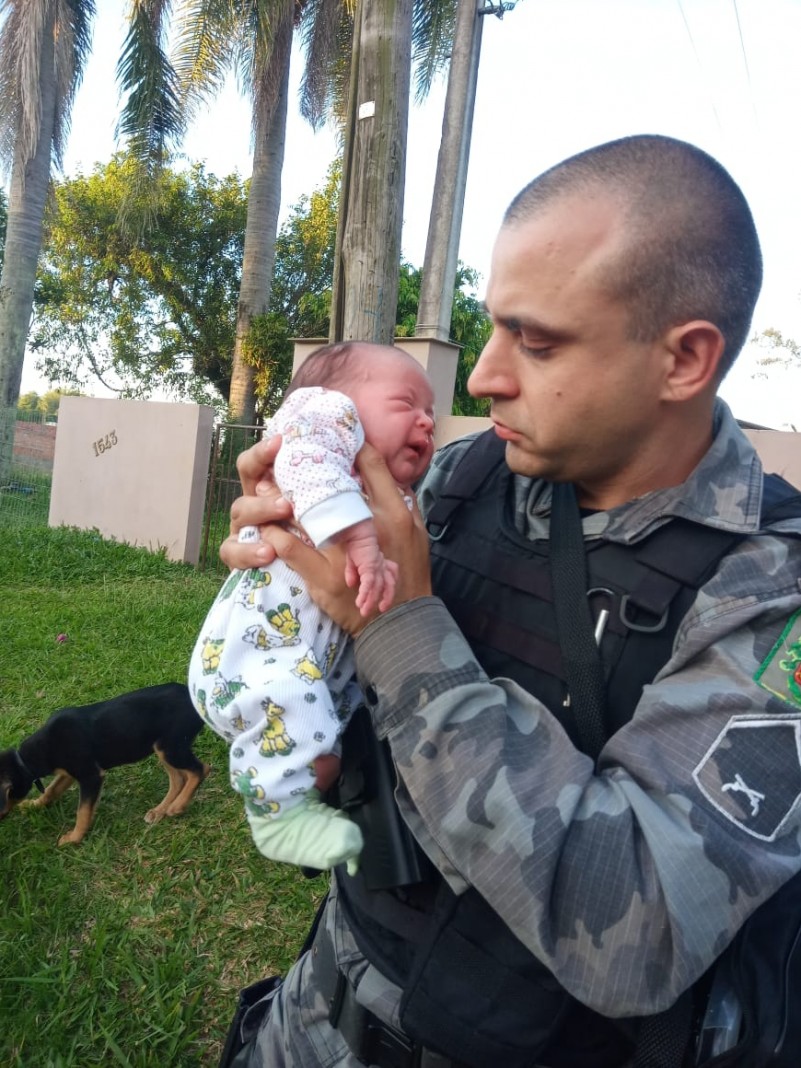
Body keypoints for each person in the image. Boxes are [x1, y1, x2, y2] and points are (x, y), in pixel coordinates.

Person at [218, 134, 801, 1068]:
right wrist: (286, 571)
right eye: (493, 328)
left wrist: (396, 628)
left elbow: (641, 920)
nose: (485, 374)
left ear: (683, 360)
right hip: (320, 1009)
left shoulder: (768, 591)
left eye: (536, 341)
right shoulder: (461, 480)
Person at [188, 342, 435, 874]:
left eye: (432, 414)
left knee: (325, 750)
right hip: (257, 659)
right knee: (292, 700)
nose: (427, 422)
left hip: (315, 667)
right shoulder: (321, 418)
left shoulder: (403, 491)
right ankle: (277, 816)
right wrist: (364, 544)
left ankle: (306, 802)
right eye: (407, 403)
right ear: (337, 399)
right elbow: (310, 461)